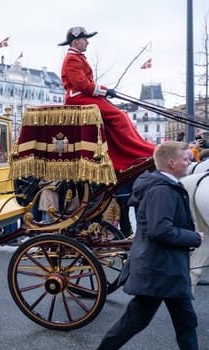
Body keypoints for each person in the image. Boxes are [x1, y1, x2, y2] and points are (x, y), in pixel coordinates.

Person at [97, 141, 204, 350]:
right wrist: (194, 238)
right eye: (185, 159)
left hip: (166, 269)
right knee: (135, 322)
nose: (189, 162)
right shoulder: (162, 191)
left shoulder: (165, 186)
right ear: (171, 163)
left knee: (186, 323)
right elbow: (160, 230)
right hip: (160, 270)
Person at [59, 27, 155, 171]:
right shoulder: (72, 59)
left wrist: (103, 92)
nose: (87, 43)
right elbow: (82, 84)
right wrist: (104, 91)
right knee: (118, 116)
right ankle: (138, 152)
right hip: (79, 98)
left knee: (120, 114)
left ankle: (137, 150)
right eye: (85, 40)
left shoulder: (77, 57)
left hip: (84, 96)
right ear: (75, 42)